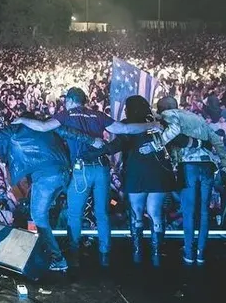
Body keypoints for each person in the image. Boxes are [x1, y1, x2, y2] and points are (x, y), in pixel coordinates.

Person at [13, 88, 158, 267]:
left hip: (81, 170)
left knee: (75, 215)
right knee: (102, 214)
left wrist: (22, 119)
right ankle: (105, 255)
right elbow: (124, 128)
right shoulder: (98, 115)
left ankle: (74, 256)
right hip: (102, 169)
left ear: (70, 101)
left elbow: (43, 127)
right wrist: (152, 125)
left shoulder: (66, 114)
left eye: (66, 101)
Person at [0, 111, 74, 273]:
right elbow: (70, 135)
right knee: (55, 212)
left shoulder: (18, 128)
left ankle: (58, 258)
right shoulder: (46, 126)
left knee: (38, 216)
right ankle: (66, 251)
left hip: (46, 177)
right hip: (65, 173)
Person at [82, 96, 177, 266]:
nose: (125, 110)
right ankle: (156, 253)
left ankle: (137, 252)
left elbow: (116, 146)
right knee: (155, 212)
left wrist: (94, 152)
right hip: (159, 173)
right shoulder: (158, 122)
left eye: (127, 107)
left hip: (136, 172)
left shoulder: (129, 124)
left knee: (136, 212)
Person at [143, 96, 226, 265]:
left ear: (163, 108)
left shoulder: (170, 114)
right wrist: (225, 164)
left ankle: (189, 253)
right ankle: (201, 253)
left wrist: (156, 145)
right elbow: (217, 141)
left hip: (188, 165)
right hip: (208, 165)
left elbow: (174, 130)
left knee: (188, 211)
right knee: (204, 212)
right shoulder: (198, 118)